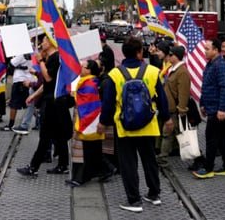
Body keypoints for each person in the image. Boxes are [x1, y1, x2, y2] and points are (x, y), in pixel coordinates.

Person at [99, 37, 170, 213]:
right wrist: (167, 118)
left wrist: (103, 122)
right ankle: (154, 194)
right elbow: (162, 99)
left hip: (124, 127)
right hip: (149, 125)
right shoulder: (153, 72)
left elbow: (108, 103)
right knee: (149, 160)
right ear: (140, 53)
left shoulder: (114, 75)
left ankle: (134, 200)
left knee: (128, 164)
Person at [17, 33, 73, 178]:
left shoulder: (55, 59)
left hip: (53, 103)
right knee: (59, 136)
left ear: (52, 43)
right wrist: (34, 96)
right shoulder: (52, 58)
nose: (42, 43)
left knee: (45, 135)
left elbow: (48, 77)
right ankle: (63, 165)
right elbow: (47, 84)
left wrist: (40, 60)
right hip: (53, 100)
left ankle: (33, 167)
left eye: (45, 40)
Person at [193, 38, 225, 179]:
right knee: (222, 139)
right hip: (213, 107)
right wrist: (203, 104)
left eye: (207, 49)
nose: (204, 51)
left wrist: (222, 109)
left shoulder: (220, 65)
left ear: (216, 50)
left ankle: (208, 168)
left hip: (219, 109)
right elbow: (207, 86)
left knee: (211, 138)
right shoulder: (210, 64)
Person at [67, 59, 104, 186]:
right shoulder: (87, 81)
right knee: (91, 151)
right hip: (87, 120)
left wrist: (74, 94)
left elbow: (86, 103)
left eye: (83, 67)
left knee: (86, 151)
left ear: (89, 71)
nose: (80, 68)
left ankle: (82, 177)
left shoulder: (89, 84)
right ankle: (100, 171)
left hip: (88, 121)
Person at [158, 45, 189, 164]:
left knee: (171, 133)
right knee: (177, 134)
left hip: (176, 110)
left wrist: (182, 108)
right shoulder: (172, 69)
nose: (169, 56)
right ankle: (164, 156)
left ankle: (162, 157)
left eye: (171, 55)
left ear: (177, 57)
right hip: (170, 108)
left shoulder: (182, 72)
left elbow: (183, 92)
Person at [2, 52, 35, 133]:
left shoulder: (22, 53)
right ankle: (38, 122)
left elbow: (12, 63)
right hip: (30, 79)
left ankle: (11, 125)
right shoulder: (33, 52)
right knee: (30, 103)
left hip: (19, 80)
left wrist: (13, 57)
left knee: (14, 104)